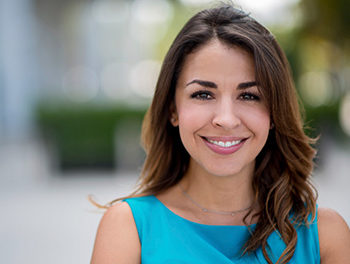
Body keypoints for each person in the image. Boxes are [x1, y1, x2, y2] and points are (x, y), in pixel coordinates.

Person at [90, 3, 350, 264]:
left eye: (249, 95)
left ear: (274, 113)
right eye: (203, 94)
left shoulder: (325, 236)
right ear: (173, 109)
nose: (226, 119)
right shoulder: (128, 230)